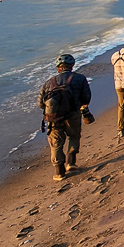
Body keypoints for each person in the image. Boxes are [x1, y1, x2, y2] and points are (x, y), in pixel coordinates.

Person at [38, 52, 92, 181]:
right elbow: (86, 98)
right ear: (72, 65)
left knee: (56, 144)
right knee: (74, 136)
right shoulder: (80, 78)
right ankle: (71, 163)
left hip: (53, 118)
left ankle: (59, 172)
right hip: (73, 115)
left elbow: (40, 104)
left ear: (58, 67)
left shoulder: (48, 82)